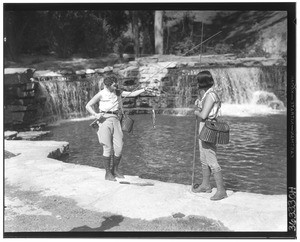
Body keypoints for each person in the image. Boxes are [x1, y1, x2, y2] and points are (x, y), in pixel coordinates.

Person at [86, 75, 150, 181]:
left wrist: (144, 89)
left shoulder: (118, 92)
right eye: (114, 84)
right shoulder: (101, 94)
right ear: (107, 85)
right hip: (104, 120)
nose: (116, 85)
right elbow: (88, 105)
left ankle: (114, 170)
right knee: (107, 147)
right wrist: (95, 114)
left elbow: (132, 94)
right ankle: (107, 174)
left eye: (116, 83)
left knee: (119, 147)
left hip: (116, 119)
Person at [192, 70, 227, 201]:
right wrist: (199, 104)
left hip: (208, 128)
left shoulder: (211, 95)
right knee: (203, 158)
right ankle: (205, 185)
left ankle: (221, 190)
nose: (196, 83)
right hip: (204, 127)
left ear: (202, 82)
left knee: (211, 159)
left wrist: (196, 112)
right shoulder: (207, 94)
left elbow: (203, 115)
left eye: (197, 81)